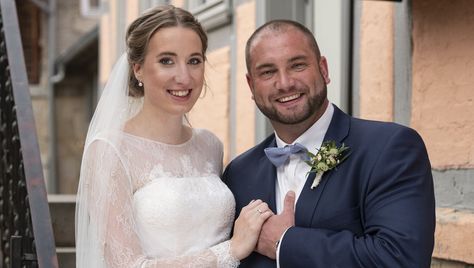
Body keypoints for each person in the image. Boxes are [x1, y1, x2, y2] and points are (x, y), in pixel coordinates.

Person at [223, 19, 436, 267]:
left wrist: (284, 243)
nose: (285, 83)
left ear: (323, 69)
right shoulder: (238, 173)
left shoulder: (391, 148)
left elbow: (401, 259)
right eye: (268, 72)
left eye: (297, 65)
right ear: (251, 85)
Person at [75, 5, 273, 267]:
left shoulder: (209, 145)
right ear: (138, 69)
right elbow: (128, 265)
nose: (184, 76)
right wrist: (232, 250)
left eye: (194, 60)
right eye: (166, 61)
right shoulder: (109, 150)